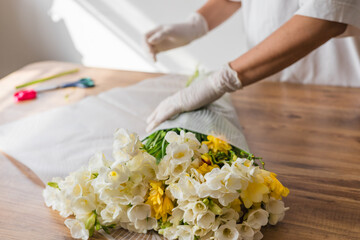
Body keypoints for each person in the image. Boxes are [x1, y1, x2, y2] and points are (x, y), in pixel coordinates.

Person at [144, 0, 360, 132]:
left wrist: (220, 80)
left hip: (339, 93)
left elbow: (325, 16)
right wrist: (196, 24)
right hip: (267, 89)